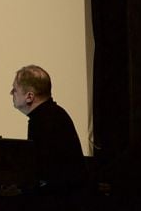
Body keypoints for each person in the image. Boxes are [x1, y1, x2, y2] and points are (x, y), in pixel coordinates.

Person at [11, 65, 87, 193]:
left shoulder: (43, 121)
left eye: (15, 90)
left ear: (29, 96)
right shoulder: (53, 114)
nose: (11, 93)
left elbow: (44, 174)